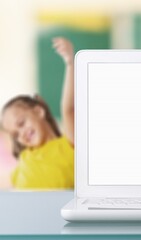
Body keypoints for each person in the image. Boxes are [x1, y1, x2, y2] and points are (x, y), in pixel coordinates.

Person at [0, 37, 74, 189]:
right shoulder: (24, 161)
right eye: (15, 135)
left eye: (21, 123)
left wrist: (70, 63)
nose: (21, 134)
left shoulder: (69, 145)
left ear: (39, 111)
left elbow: (68, 109)